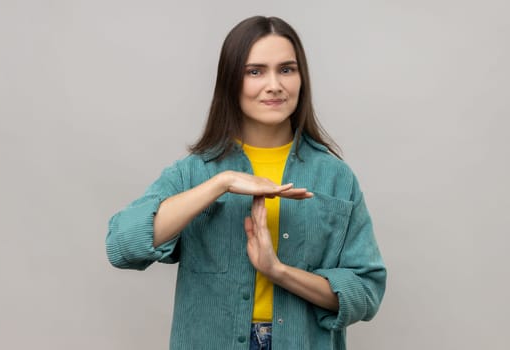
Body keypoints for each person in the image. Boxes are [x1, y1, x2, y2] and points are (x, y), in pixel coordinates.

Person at [106, 15, 386, 350]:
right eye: (255, 71)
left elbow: (366, 292)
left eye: (286, 69)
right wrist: (220, 183)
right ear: (231, 81)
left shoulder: (336, 178)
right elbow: (121, 246)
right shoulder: (194, 172)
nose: (274, 85)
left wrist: (278, 271)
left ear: (302, 79)